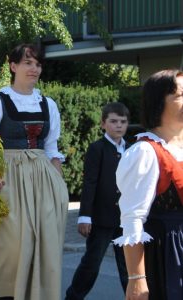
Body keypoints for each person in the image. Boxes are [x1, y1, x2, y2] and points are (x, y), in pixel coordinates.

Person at [0, 43, 69, 300]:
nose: (34, 68)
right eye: (28, 63)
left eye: (38, 64)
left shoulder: (48, 104)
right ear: (13, 66)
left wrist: (58, 185)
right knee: (4, 249)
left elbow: (52, 147)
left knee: (40, 248)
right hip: (6, 183)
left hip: (42, 184)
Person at [114, 69, 183, 299]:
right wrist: (136, 279)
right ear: (158, 103)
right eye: (180, 95)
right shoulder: (145, 152)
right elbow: (133, 220)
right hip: (168, 256)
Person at [65, 102, 130, 299]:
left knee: (128, 265)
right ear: (103, 124)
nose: (119, 125)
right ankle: (73, 296)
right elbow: (90, 183)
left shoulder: (133, 148)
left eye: (123, 121)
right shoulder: (97, 148)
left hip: (125, 218)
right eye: (113, 121)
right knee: (92, 263)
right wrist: (85, 216)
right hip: (101, 219)